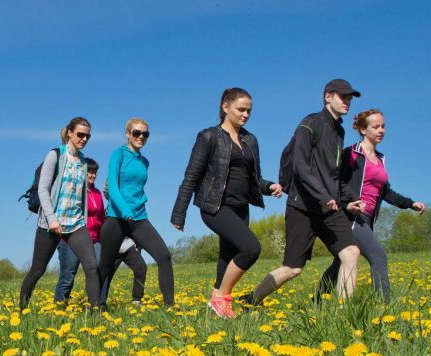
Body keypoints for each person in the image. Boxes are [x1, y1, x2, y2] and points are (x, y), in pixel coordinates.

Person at [242, 79, 365, 307]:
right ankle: (252, 299)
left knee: (350, 252)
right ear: (328, 96)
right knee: (293, 268)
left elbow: (334, 174)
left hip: (330, 208)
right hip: (303, 207)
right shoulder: (311, 123)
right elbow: (300, 167)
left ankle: (343, 314)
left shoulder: (339, 130)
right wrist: (322, 195)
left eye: (349, 98)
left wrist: (348, 199)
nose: (347, 102)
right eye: (343, 96)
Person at [171, 88, 283, 317]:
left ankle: (214, 309)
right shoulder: (209, 136)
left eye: (249, 111)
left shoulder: (250, 139)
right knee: (251, 248)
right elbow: (191, 175)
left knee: (227, 257)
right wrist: (178, 213)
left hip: (241, 207)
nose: (246, 115)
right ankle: (222, 298)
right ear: (226, 107)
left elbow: (255, 178)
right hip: (215, 206)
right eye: (241, 109)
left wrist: (269, 186)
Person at [316, 109, 425, 300]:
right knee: (379, 257)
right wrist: (347, 204)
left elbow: (385, 192)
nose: (381, 130)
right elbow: (336, 182)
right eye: (376, 127)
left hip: (367, 219)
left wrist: (410, 203)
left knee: (340, 262)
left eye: (383, 126)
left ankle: (317, 301)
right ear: (363, 130)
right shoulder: (352, 153)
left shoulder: (381, 159)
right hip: (351, 216)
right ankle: (385, 307)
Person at [19, 117, 101, 310]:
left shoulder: (83, 162)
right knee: (38, 270)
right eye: (80, 135)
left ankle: (96, 315)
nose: (84, 139)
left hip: (75, 223)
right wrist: (52, 219)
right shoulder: (55, 155)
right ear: (70, 133)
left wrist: (82, 217)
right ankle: (21, 310)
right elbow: (43, 189)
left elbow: (80, 195)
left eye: (88, 136)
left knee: (91, 266)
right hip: (50, 223)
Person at [98, 118, 174, 307]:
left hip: (139, 218)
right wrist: (124, 209)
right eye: (136, 133)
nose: (141, 137)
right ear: (128, 134)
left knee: (164, 256)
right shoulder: (118, 154)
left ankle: (171, 306)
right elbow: (113, 187)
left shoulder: (144, 162)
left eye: (145, 134)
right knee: (106, 266)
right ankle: (96, 306)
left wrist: (137, 208)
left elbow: (137, 189)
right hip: (117, 216)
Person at [53, 159, 147, 307]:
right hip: (72, 237)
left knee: (99, 270)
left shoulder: (96, 193)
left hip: (95, 239)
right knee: (68, 276)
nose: (93, 175)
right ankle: (58, 308)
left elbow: (102, 218)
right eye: (89, 172)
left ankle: (98, 307)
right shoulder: (75, 190)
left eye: (95, 172)